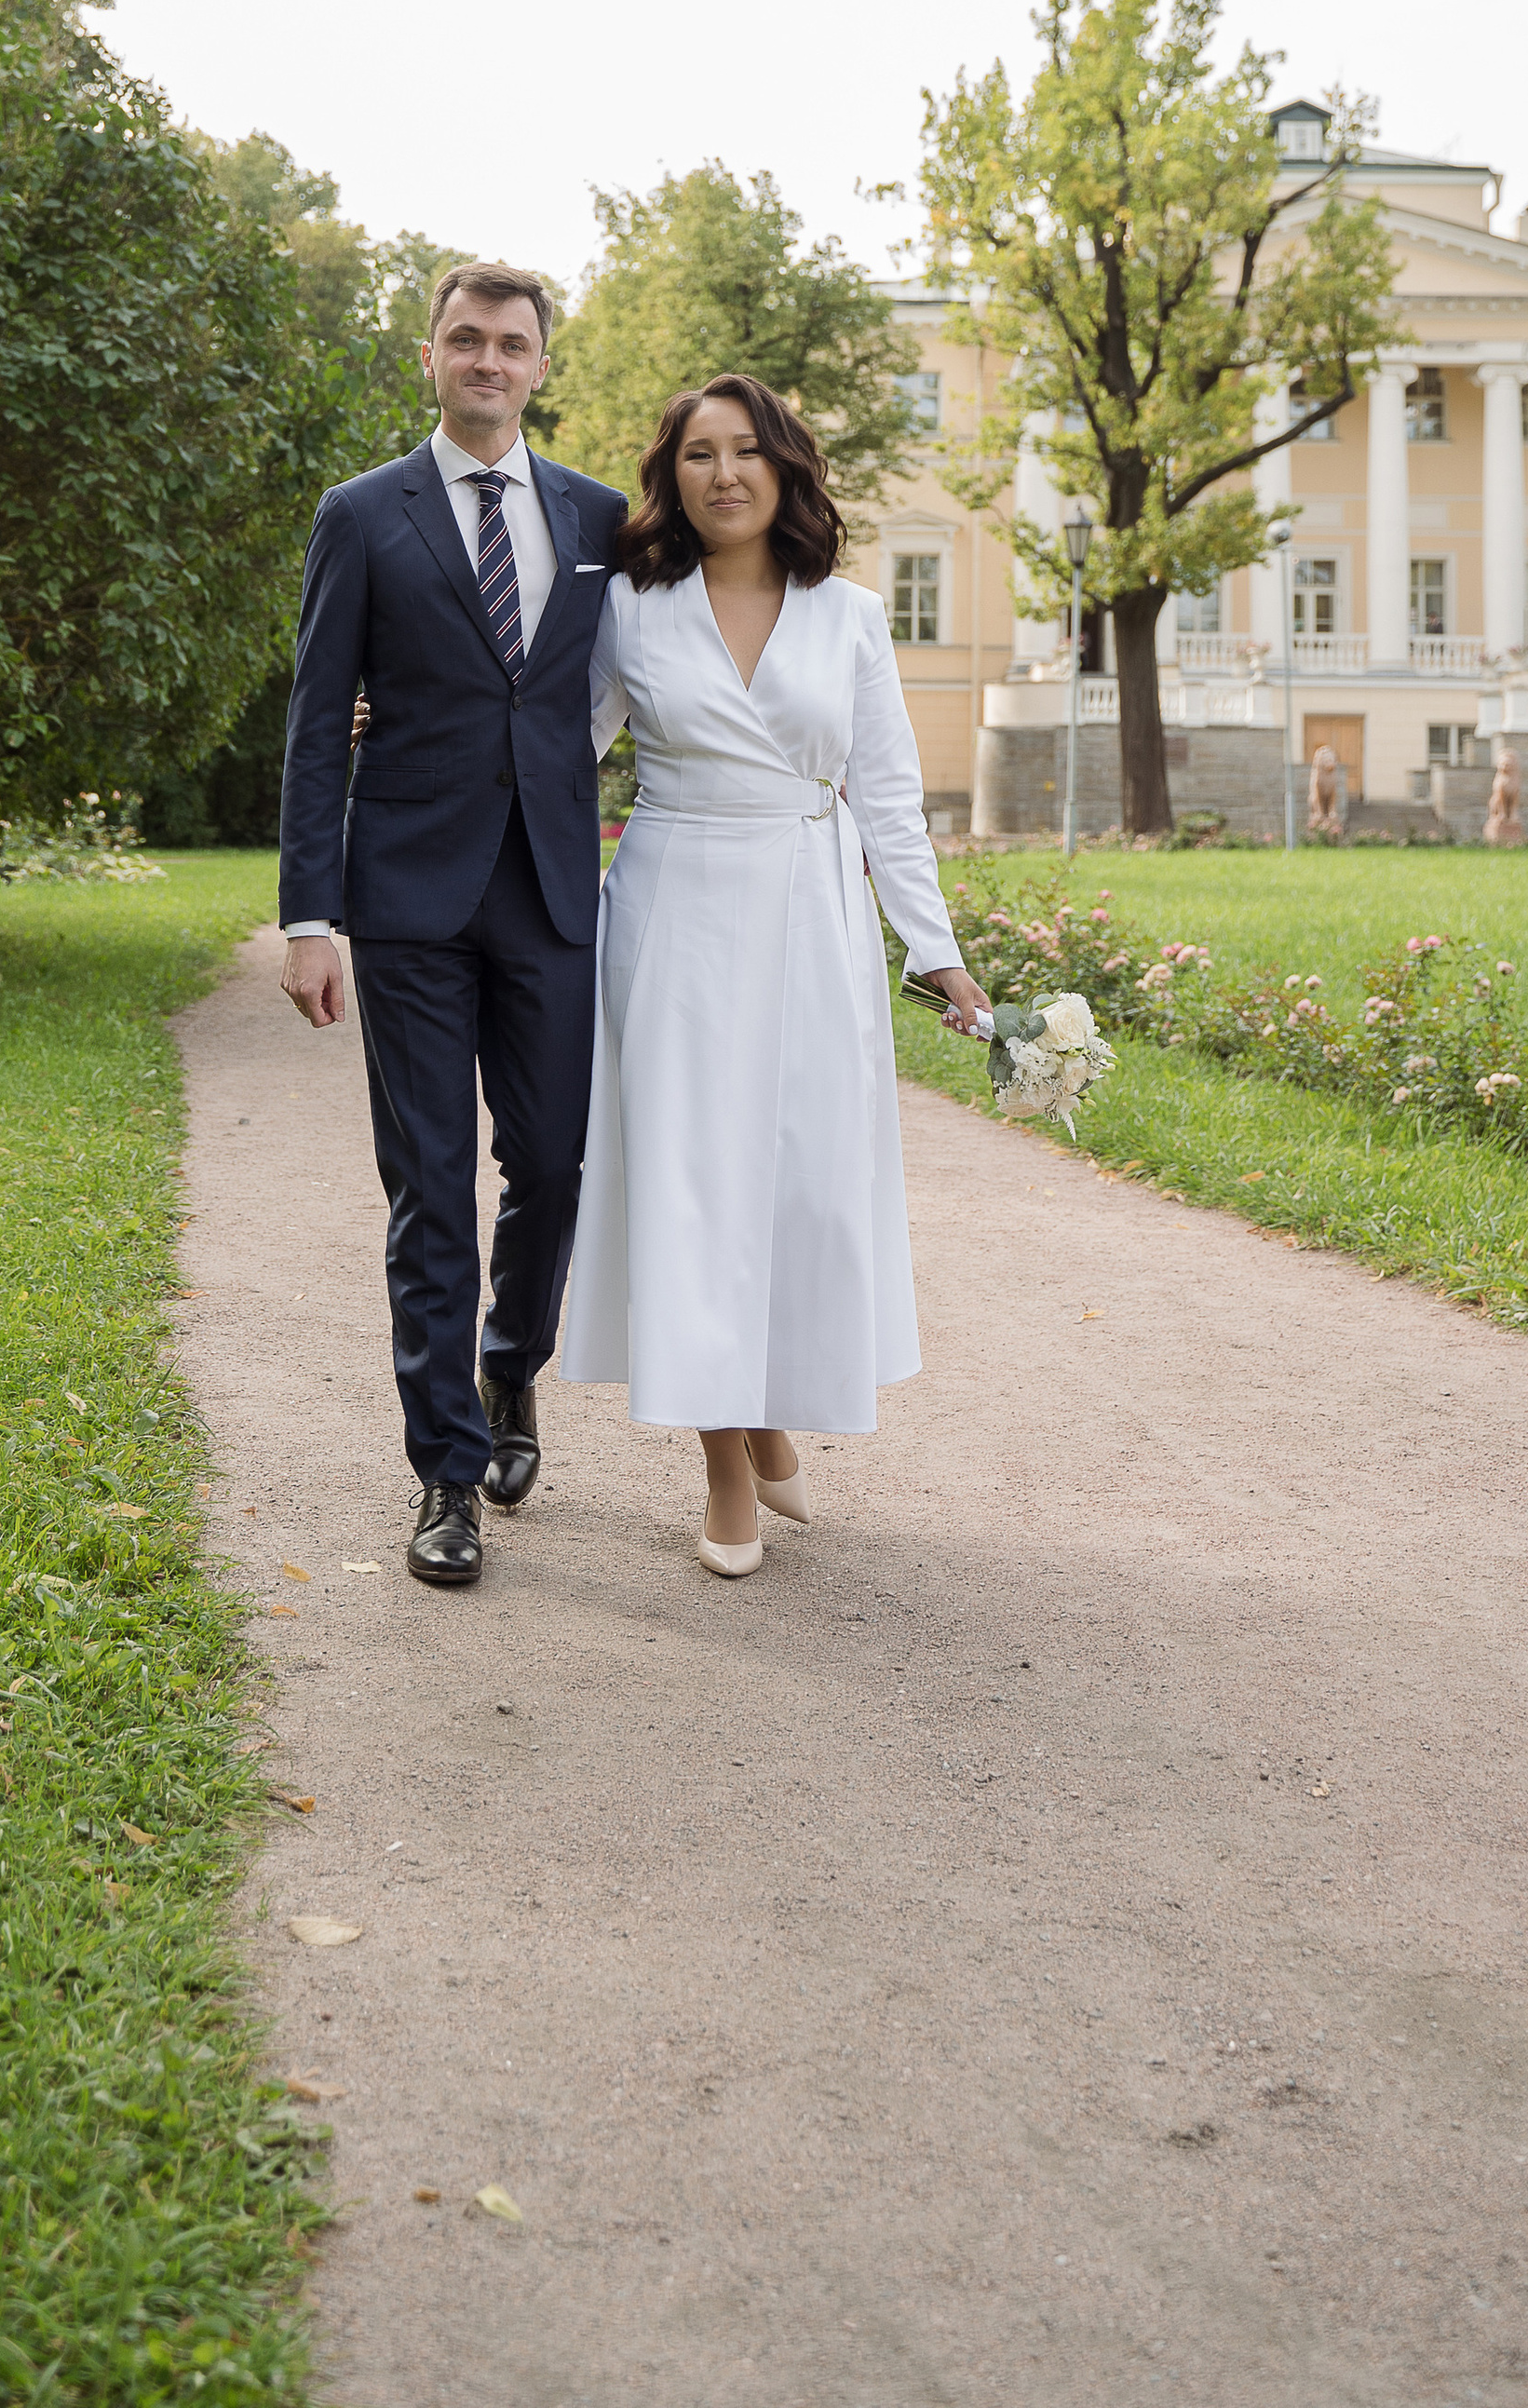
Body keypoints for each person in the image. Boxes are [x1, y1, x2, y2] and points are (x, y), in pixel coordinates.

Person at [558, 375, 993, 1574]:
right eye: (698, 454)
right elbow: (552, 746)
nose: (725, 474)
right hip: (675, 913)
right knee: (693, 1186)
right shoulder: (631, 608)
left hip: (813, 912)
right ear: (672, 477)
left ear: (785, 467)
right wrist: (404, 727)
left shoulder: (850, 615)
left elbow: (888, 802)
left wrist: (939, 955)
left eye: (747, 450)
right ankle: (723, 1463)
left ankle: (764, 1414)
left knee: (799, 1186)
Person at [277, 262, 627, 1590]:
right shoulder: (362, 514)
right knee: (430, 1184)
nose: (489, 360)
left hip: (550, 890)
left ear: (540, 365)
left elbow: (627, 676)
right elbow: (319, 722)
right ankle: (444, 1471)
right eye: (466, 339)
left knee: (552, 1165)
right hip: (407, 901)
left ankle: (510, 1369)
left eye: (511, 343)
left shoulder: (600, 518)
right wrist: (308, 915)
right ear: (427, 355)